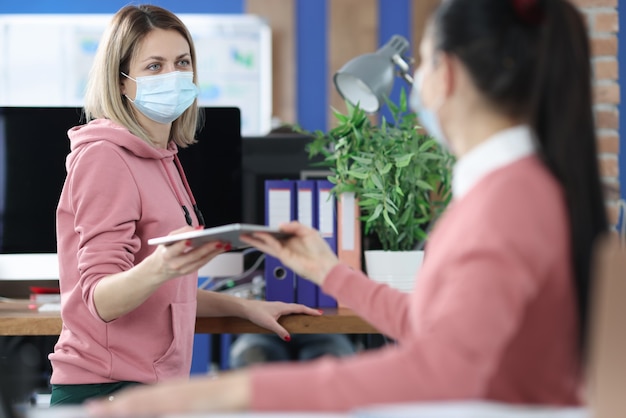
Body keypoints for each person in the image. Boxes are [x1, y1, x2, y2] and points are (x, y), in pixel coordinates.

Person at [85, 0, 609, 414]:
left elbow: (444, 368)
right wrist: (331, 273)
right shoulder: (516, 190)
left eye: (420, 61)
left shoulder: (508, 202)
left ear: (445, 74)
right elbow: (440, 332)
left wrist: (228, 395)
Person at [47, 4, 321, 406]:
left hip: (149, 390)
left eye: (182, 62)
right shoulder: (105, 157)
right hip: (106, 391)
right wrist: (163, 263)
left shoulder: (162, 157)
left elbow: (165, 293)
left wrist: (245, 308)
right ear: (121, 82)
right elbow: (100, 301)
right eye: (154, 66)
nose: (173, 76)